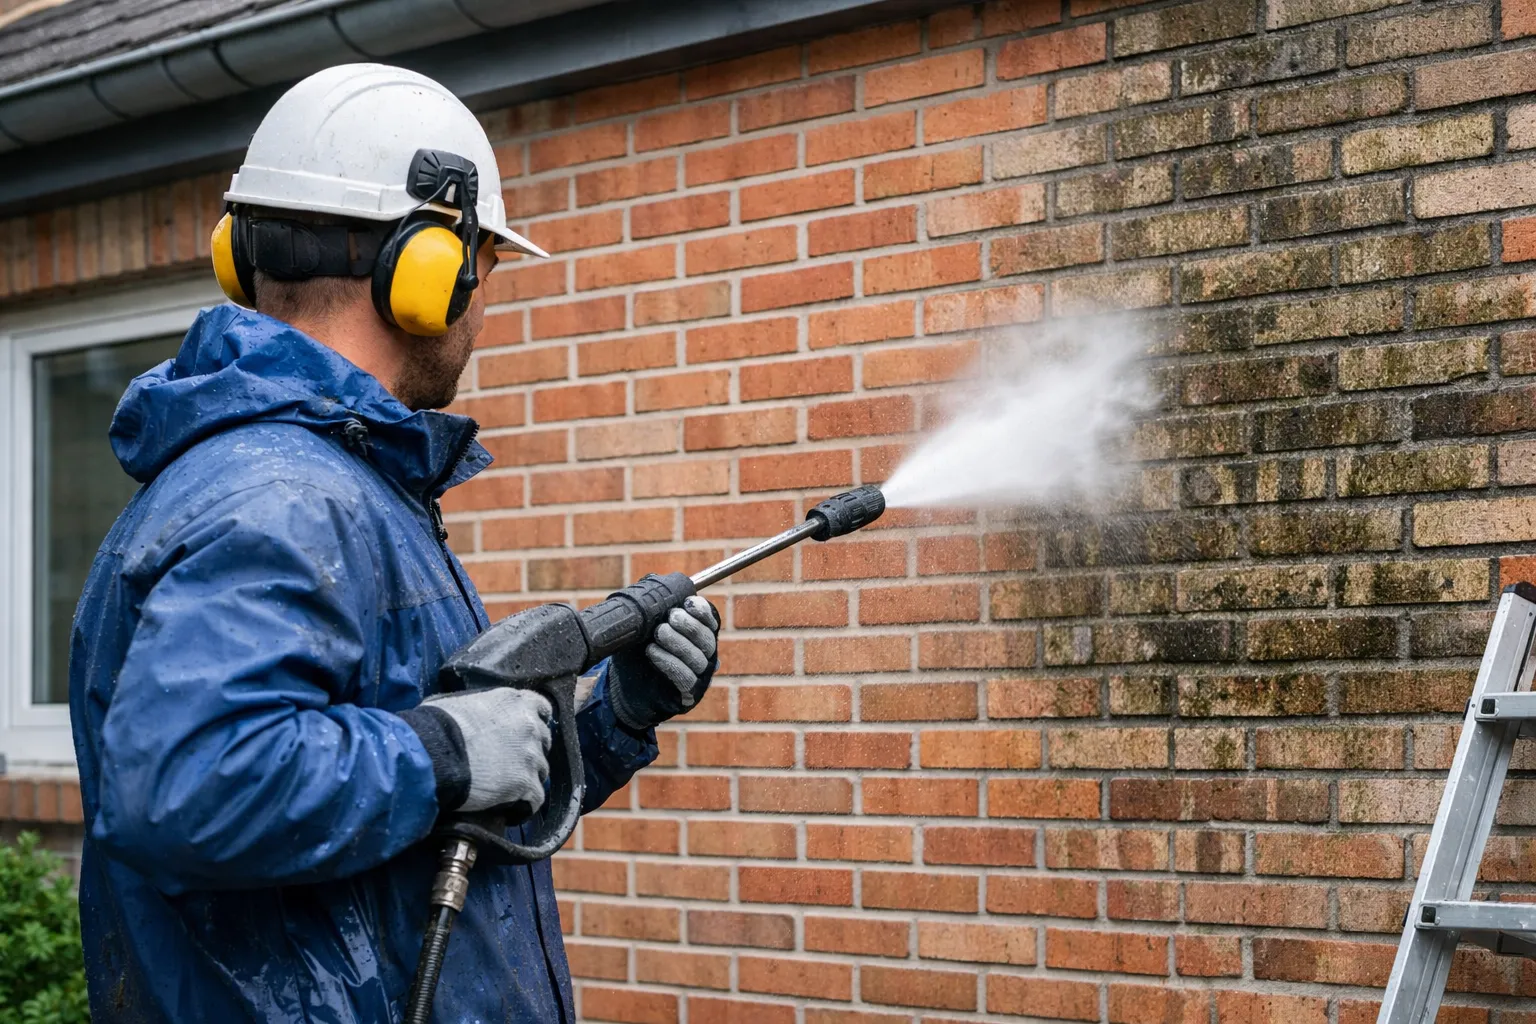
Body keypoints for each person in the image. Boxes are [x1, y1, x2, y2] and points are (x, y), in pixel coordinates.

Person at [68, 63, 719, 1023]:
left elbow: (419, 830)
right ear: (426, 274)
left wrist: (615, 716)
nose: (480, 311)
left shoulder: (339, 484)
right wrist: (444, 752)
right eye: (482, 271)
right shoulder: (287, 499)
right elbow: (187, 786)